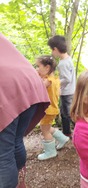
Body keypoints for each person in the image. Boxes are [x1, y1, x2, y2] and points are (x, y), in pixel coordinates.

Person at [0, 33, 50, 188]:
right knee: (15, 140)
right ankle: (20, 182)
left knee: (3, 152)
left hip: (6, 87)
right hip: (30, 83)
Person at [35, 55, 69, 160]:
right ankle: (63, 138)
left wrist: (37, 77)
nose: (37, 69)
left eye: (38, 66)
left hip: (48, 110)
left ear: (47, 68)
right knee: (48, 127)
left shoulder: (47, 81)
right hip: (52, 109)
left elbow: (36, 87)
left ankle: (50, 152)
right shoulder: (55, 79)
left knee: (44, 129)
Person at [48, 35, 76, 138]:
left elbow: (67, 79)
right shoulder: (68, 59)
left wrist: (57, 83)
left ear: (55, 49)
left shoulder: (62, 64)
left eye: (52, 50)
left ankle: (71, 132)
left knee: (67, 114)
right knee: (67, 113)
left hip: (67, 92)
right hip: (71, 90)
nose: (52, 52)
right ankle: (67, 131)